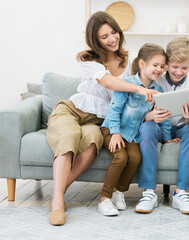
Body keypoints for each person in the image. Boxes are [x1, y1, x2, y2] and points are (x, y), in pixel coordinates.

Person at [46, 12, 158, 226]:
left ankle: (56, 193)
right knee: (69, 138)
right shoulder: (88, 60)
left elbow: (143, 83)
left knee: (89, 147)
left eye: (113, 32)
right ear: (95, 40)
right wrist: (139, 89)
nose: (112, 39)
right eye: (104, 36)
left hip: (98, 122)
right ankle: (58, 202)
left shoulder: (130, 60)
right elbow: (108, 82)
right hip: (72, 111)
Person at [97, 43, 172, 216]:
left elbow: (163, 116)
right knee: (121, 157)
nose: (159, 69)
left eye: (162, 66)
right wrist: (115, 133)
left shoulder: (158, 91)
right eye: (155, 65)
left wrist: (168, 138)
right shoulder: (126, 85)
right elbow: (114, 110)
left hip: (132, 135)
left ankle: (118, 191)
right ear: (142, 63)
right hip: (112, 129)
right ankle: (104, 198)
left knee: (136, 158)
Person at [135, 38, 189, 214]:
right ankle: (149, 192)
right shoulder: (156, 80)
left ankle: (182, 192)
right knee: (147, 127)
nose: (179, 72)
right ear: (167, 64)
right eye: (174, 66)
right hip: (159, 127)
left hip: (183, 126)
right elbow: (140, 111)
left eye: (184, 68)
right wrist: (150, 116)